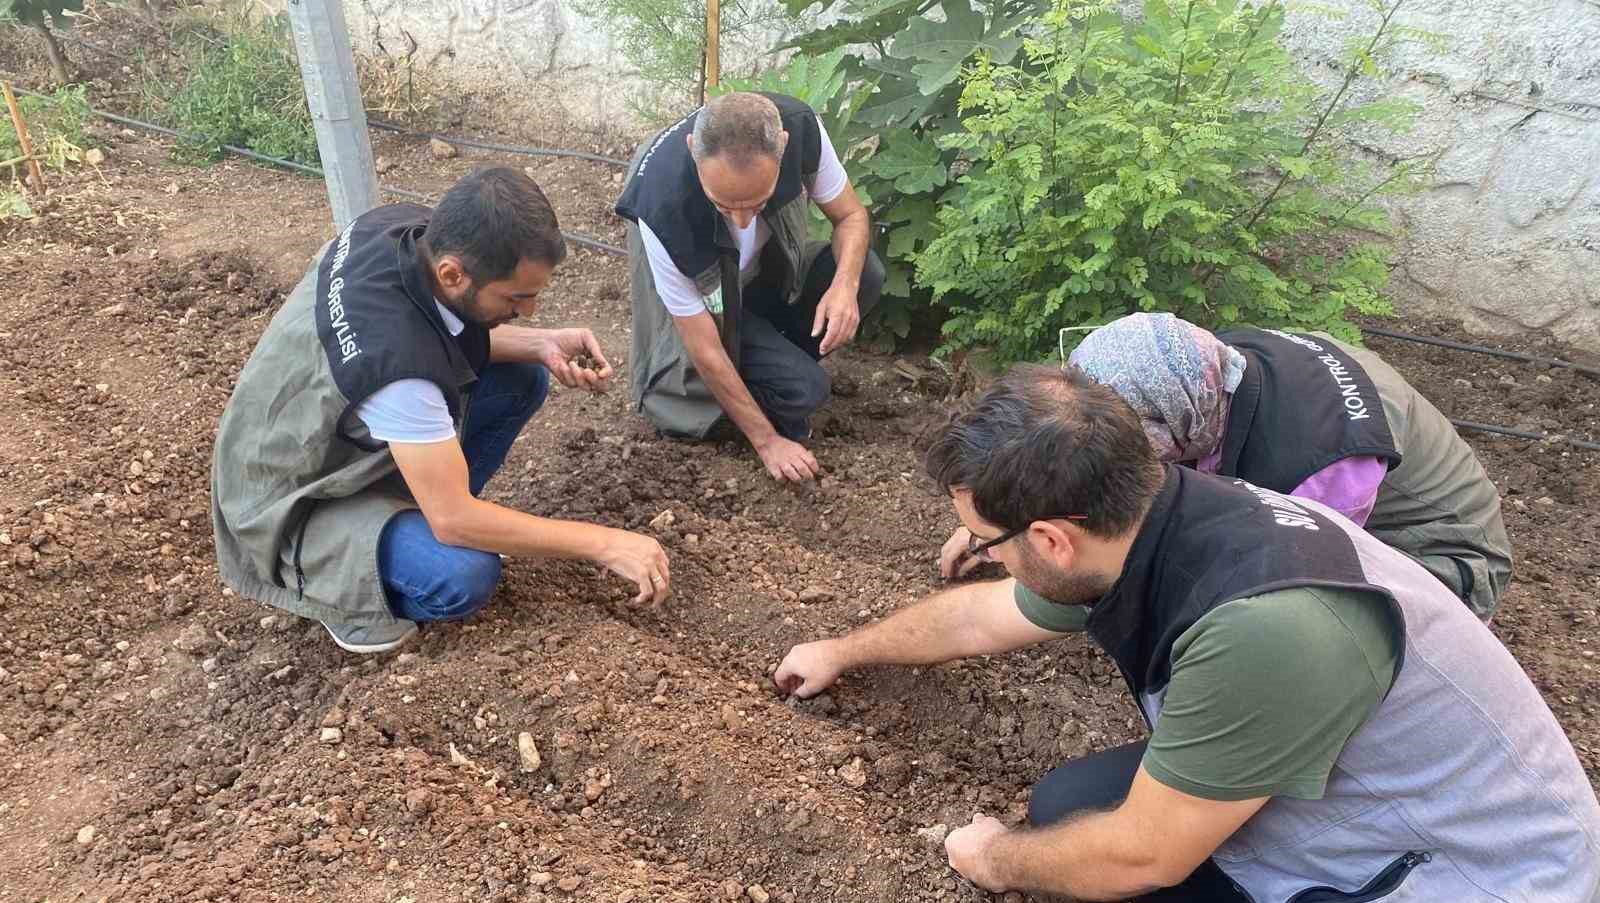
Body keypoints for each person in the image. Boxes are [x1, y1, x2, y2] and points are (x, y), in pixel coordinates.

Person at [775, 365, 1600, 903]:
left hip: (1479, 894)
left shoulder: (1263, 625)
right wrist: (845, 650)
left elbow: (1142, 852)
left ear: (1054, 540)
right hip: (1365, 810)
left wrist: (994, 858)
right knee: (1071, 808)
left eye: (989, 540)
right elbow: (980, 619)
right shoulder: (1157, 519)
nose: (983, 553)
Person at [212, 167, 671, 654]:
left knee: (521, 376)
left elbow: (433, 331)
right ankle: (344, 601)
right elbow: (453, 519)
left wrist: (540, 344)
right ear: (453, 273)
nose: (531, 310)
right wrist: (605, 543)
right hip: (287, 505)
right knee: (462, 574)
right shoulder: (397, 368)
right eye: (517, 297)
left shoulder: (399, 231)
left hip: (307, 439)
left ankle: (410, 512)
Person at [939, 314, 1513, 619]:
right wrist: (1001, 515)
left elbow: (1302, 576)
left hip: (1442, 563)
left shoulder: (1325, 466)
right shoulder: (1206, 367)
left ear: (1171, 429)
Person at [615, 90, 885, 483]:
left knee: (868, 273)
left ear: (783, 147)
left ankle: (775, 366)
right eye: (724, 207)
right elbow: (703, 344)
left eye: (757, 204)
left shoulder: (799, 127)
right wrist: (767, 442)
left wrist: (844, 286)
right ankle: (761, 389)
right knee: (804, 390)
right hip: (715, 307)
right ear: (693, 150)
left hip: (764, 279)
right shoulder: (661, 204)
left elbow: (851, 216)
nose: (742, 224)